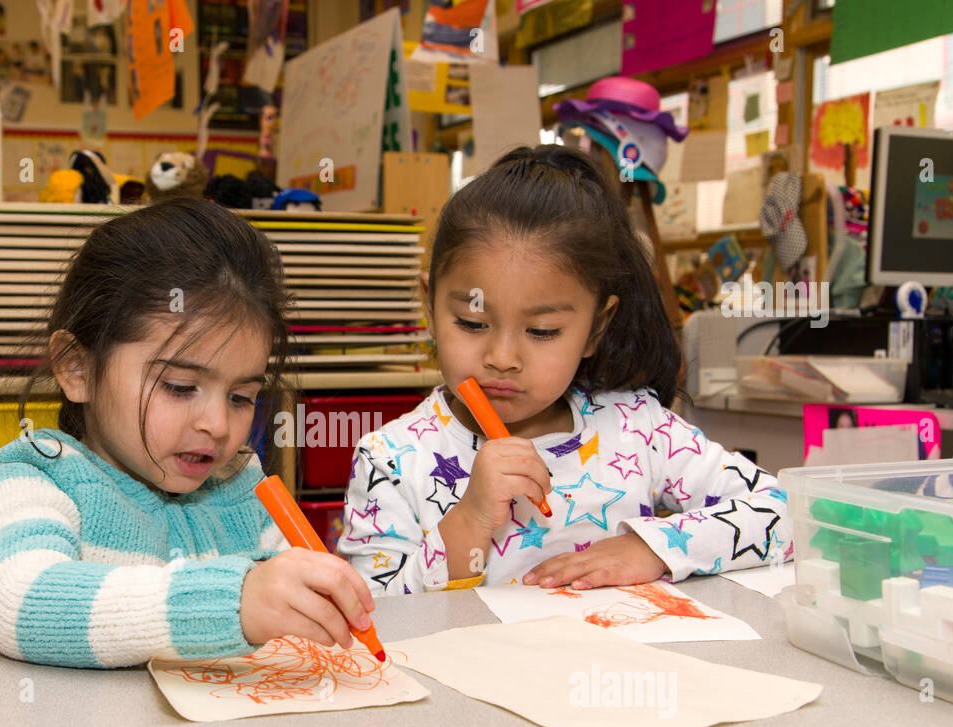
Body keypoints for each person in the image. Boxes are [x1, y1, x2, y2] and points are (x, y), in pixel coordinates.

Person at [339, 145, 792, 594]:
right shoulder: (393, 459)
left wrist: (652, 549)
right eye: (472, 323)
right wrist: (472, 520)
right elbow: (370, 614)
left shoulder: (638, 427)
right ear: (430, 308)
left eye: (542, 331)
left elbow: (787, 510)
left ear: (596, 327)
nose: (502, 356)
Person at [0, 198, 375, 667]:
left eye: (241, 397)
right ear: (77, 367)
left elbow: (287, 602)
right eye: (180, 387)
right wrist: (234, 602)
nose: (219, 425)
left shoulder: (240, 484)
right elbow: (16, 602)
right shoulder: (36, 476)